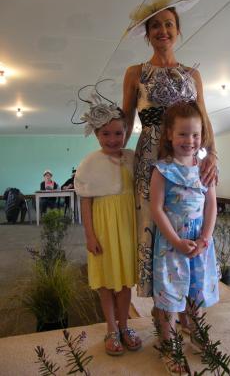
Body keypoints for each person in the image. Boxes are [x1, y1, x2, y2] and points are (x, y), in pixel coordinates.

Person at [123, 0, 218, 298]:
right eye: (155, 26)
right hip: (150, 155)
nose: (162, 30)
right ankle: (162, 304)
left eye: (169, 24)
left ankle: (190, 302)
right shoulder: (135, 73)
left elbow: (203, 118)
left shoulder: (193, 74)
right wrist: (113, 155)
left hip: (188, 159)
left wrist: (212, 154)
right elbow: (126, 119)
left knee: (191, 218)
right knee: (153, 221)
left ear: (178, 31)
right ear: (147, 34)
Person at [150, 101, 219, 374]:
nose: (189, 140)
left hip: (200, 242)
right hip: (172, 243)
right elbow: (156, 208)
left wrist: (205, 237)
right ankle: (169, 345)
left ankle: (197, 331)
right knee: (169, 295)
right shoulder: (162, 169)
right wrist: (177, 241)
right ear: (169, 134)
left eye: (195, 135)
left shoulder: (205, 168)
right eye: (182, 134)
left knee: (197, 291)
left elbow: (211, 203)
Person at [74, 100, 141, 356]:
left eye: (118, 133)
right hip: (103, 229)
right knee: (106, 280)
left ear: (126, 131)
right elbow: (86, 203)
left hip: (126, 228)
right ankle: (111, 328)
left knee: (124, 281)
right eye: (105, 134)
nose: (113, 139)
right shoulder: (90, 163)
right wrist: (89, 235)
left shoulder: (131, 158)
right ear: (96, 134)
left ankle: (125, 326)